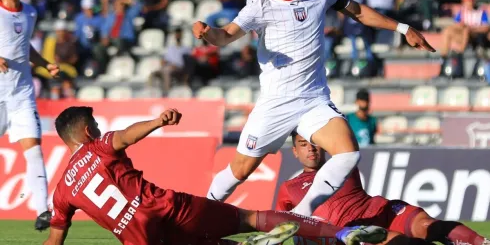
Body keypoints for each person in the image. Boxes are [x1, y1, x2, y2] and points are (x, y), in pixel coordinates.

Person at [193, 0, 435, 217]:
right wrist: (207, 33)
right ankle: (198, 220)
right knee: (240, 170)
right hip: (276, 103)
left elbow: (358, 12)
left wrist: (404, 28)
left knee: (348, 153)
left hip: (314, 98)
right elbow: (224, 36)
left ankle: (301, 213)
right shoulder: (260, 2)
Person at [43, 106, 389, 245]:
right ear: (88, 130)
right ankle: (342, 234)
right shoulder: (98, 147)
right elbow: (126, 136)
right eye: (97, 125)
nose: (100, 128)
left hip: (144, 240)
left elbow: (54, 241)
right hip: (168, 209)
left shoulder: (62, 191)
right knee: (251, 217)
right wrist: (157, 121)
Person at [276, 132, 490, 245]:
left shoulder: (341, 162)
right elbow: (280, 226)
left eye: (314, 142)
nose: (310, 149)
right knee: (404, 244)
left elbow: (342, 135)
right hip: (360, 231)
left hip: (382, 210)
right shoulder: (289, 188)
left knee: (427, 226)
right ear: (295, 151)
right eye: (303, 144)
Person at [0, 0, 60, 230]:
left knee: (34, 149)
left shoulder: (30, 13)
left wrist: (45, 64)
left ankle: (42, 211)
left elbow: (25, 47)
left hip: (22, 95)